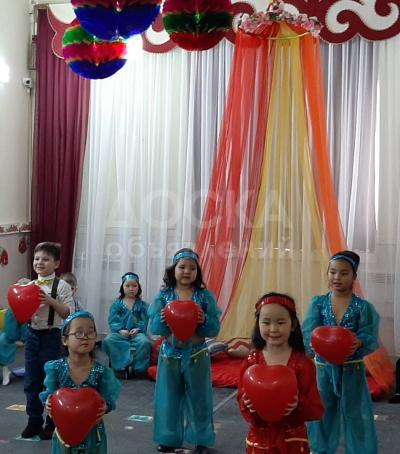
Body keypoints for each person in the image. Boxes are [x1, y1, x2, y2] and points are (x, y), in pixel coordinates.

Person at [302, 250, 380, 454]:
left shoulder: (363, 307)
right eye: (333, 272)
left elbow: (369, 334)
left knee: (356, 413)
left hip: (352, 369)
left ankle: (361, 450)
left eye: (344, 273)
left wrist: (359, 342)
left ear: (354, 276)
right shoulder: (318, 303)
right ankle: (320, 449)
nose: (337, 277)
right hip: (323, 370)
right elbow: (309, 332)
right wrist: (315, 344)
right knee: (323, 411)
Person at [148, 248, 221, 454]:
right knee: (168, 399)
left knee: (200, 398)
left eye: (192, 268)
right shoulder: (164, 296)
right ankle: (168, 438)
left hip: (197, 354)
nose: (187, 271)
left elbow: (214, 328)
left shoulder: (204, 296)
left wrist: (204, 319)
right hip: (169, 355)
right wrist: (163, 320)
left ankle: (201, 439)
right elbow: (155, 328)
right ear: (173, 270)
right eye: (182, 267)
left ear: (198, 272)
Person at [237, 292, 324, 453]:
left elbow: (316, 408)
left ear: (293, 325)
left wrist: (298, 403)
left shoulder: (302, 364)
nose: (273, 329)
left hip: (293, 441)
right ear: (258, 324)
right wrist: (247, 404)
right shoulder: (251, 362)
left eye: (281, 322)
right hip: (259, 441)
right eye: (266, 322)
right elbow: (242, 399)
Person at [40, 311, 121, 453]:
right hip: (64, 434)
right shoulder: (56, 368)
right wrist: (48, 402)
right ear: (65, 340)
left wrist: (105, 406)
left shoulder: (101, 371)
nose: (85, 337)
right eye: (78, 333)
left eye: (90, 332)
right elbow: (49, 394)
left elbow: (109, 399)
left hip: (92, 434)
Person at [21, 242, 75, 440]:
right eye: (37, 258)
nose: (39, 262)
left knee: (52, 380)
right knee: (31, 380)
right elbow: (22, 313)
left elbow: (69, 313)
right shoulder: (29, 286)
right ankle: (33, 421)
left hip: (53, 337)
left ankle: (52, 423)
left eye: (45, 259)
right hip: (32, 336)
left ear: (56, 263)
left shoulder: (62, 286)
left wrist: (50, 300)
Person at [102, 272, 151, 378]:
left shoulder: (142, 305)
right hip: (120, 333)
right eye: (127, 286)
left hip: (137, 333)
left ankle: (139, 369)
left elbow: (144, 320)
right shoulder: (116, 304)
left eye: (134, 286)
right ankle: (119, 367)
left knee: (144, 342)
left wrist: (138, 329)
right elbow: (113, 320)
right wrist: (120, 330)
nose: (131, 288)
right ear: (122, 287)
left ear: (138, 287)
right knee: (109, 340)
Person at [0, 278, 30, 385]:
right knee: (3, 340)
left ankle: (5, 370)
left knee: (4, 341)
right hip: (12, 335)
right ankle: (5, 370)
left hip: (31, 334)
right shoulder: (12, 309)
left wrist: (24, 340)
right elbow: (9, 328)